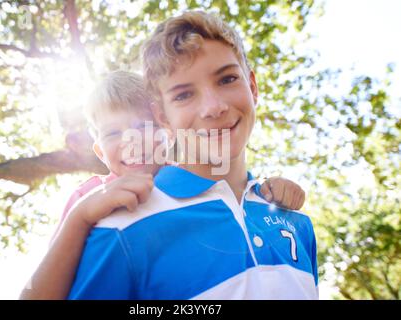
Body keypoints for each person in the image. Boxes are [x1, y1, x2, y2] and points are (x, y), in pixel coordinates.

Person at [65, 11, 318, 300]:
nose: (213, 107)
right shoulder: (118, 229)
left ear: (253, 86)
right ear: (162, 116)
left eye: (227, 79)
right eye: (183, 95)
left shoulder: (296, 223)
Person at [19, 70, 306, 300]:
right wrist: (80, 217)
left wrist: (269, 190)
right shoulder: (89, 198)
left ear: (168, 131)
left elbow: (234, 195)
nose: (131, 141)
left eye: (144, 127)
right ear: (99, 152)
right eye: (112, 133)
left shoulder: (195, 184)